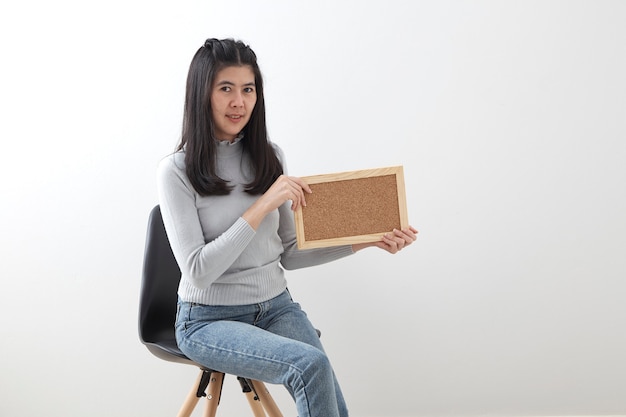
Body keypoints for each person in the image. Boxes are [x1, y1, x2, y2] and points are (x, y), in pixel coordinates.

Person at [157, 37, 418, 417]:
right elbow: (197, 271)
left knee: (321, 377)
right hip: (207, 320)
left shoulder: (269, 155)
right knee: (308, 365)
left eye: (248, 89)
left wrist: (368, 240)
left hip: (276, 307)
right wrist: (263, 204)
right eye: (225, 89)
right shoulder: (175, 171)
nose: (239, 102)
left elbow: (291, 254)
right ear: (202, 95)